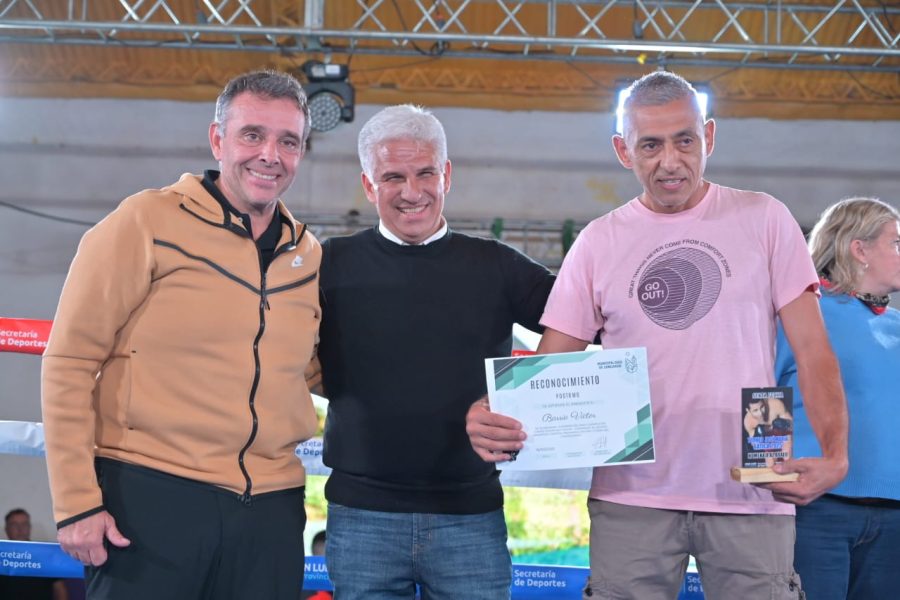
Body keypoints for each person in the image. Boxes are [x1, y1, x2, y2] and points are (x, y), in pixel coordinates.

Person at [466, 71, 849, 600]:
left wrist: (836, 455)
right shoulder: (597, 241)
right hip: (631, 491)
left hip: (755, 480)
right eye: (650, 145)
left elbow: (813, 351)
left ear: (708, 137)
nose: (670, 161)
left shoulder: (766, 218)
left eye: (684, 141)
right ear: (623, 151)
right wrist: (494, 412)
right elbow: (548, 372)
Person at [41, 70, 322, 600]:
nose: (270, 155)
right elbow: (70, 360)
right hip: (150, 496)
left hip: (272, 511)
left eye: (289, 141)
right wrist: (76, 502)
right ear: (218, 139)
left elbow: (316, 368)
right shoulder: (145, 220)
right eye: (252, 135)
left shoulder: (307, 255)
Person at [315, 104, 555, 599]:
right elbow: (270, 344)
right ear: (368, 185)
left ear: (446, 175)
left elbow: (585, 322)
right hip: (361, 518)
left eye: (425, 173)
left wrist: (519, 391)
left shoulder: (497, 265)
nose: (411, 192)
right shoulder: (328, 264)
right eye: (393, 177)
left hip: (470, 517)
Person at [775, 197, 900, 599]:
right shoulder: (801, 314)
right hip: (818, 510)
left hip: (894, 517)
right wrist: (764, 479)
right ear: (860, 249)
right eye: (896, 243)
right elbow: (763, 391)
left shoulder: (896, 325)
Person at [0, 508, 69, 600]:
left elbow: (60, 589)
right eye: (14, 524)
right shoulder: (2, 555)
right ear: (6, 529)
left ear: (29, 527)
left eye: (24, 524)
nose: (20, 529)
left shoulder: (45, 554)